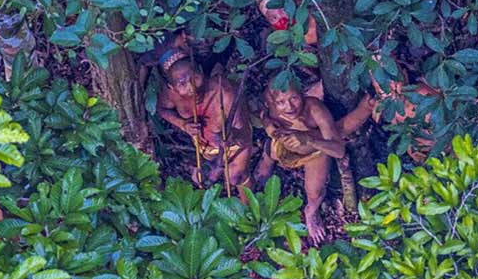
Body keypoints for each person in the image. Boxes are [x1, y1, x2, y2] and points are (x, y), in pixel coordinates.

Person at [255, 82, 373, 244]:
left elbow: (339, 151)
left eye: (294, 98)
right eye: (281, 102)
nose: (289, 107)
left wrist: (309, 139)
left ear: (302, 94)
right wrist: (269, 127)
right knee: (272, 154)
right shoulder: (273, 106)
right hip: (283, 145)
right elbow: (264, 115)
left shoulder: (314, 109)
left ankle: (311, 212)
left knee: (314, 192)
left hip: (314, 152)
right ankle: (266, 161)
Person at [157, 49, 254, 201]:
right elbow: (162, 110)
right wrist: (182, 124)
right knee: (202, 178)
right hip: (205, 146)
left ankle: (249, 213)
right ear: (172, 87)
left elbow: (242, 132)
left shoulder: (224, 92)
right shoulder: (171, 95)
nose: (191, 87)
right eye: (182, 83)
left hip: (234, 144)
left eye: (193, 77)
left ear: (201, 71)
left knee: (235, 177)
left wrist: (231, 137)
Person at [369, 54, 440, 163]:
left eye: (394, 83)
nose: (392, 91)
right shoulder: (384, 109)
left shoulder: (422, 95)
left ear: (404, 76)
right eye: (382, 89)